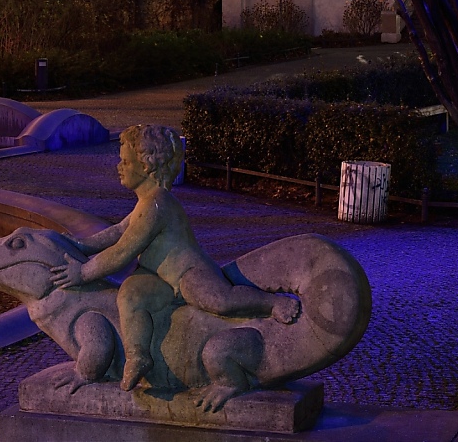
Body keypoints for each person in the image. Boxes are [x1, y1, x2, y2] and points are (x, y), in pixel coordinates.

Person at [51, 124, 301, 391]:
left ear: (147, 165)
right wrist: (79, 244)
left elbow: (123, 250)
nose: (118, 166)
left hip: (186, 273)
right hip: (156, 275)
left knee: (220, 300)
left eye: (125, 161)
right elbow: (117, 231)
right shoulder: (145, 202)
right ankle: (138, 356)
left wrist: (83, 272)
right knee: (130, 296)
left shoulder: (158, 204)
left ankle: (271, 303)